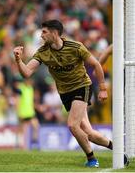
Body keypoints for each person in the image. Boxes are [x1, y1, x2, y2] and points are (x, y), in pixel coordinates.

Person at [13, 20, 128, 167]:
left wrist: (103, 88)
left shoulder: (75, 47)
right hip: (65, 93)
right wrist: (18, 60)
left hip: (82, 86)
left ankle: (92, 159)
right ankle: (118, 150)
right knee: (89, 132)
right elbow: (27, 73)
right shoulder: (42, 52)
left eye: (44, 32)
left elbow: (96, 64)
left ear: (54, 33)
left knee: (73, 125)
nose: (41, 35)